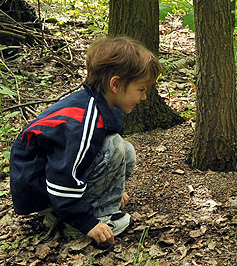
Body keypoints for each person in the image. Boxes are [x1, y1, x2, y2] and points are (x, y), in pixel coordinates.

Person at [9, 36, 160, 247]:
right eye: (141, 89)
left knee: (125, 150)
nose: (143, 97)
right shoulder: (82, 123)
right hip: (41, 189)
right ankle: (83, 222)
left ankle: (69, 213)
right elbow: (61, 179)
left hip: (55, 183)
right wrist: (87, 223)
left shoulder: (105, 106)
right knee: (115, 147)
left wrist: (112, 189)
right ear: (115, 84)